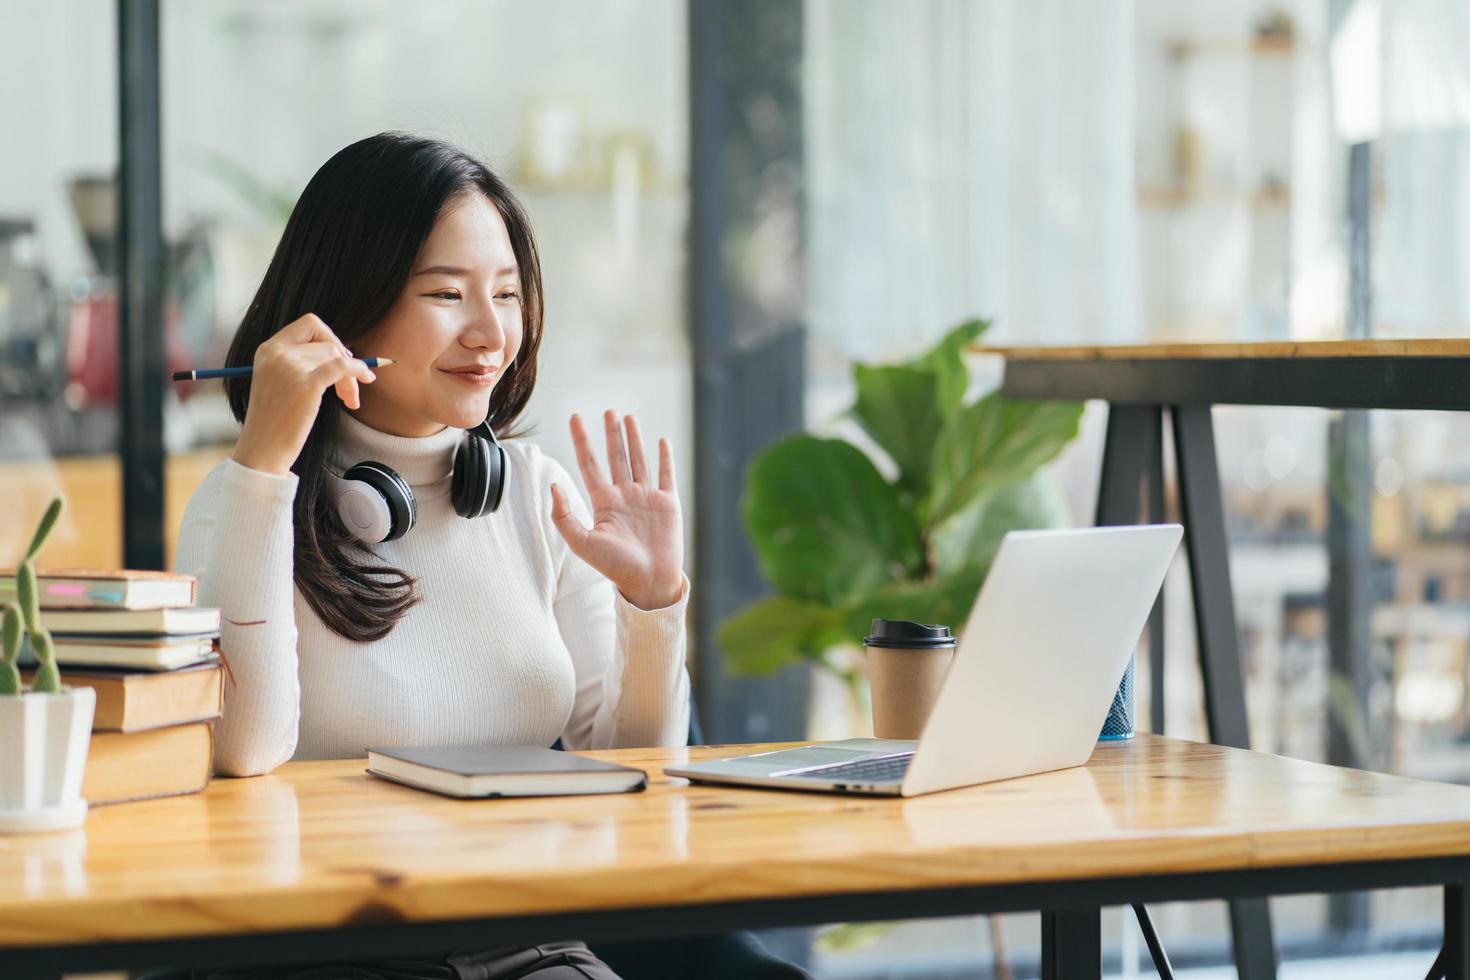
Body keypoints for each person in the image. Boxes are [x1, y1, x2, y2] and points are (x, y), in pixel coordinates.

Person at [175, 132, 690, 980]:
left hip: (530, 944)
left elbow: (631, 769)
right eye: (448, 294)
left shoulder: (533, 490)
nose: (492, 334)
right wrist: (265, 471)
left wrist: (653, 604)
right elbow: (245, 747)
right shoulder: (239, 503)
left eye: (508, 295)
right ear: (346, 306)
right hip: (325, 950)